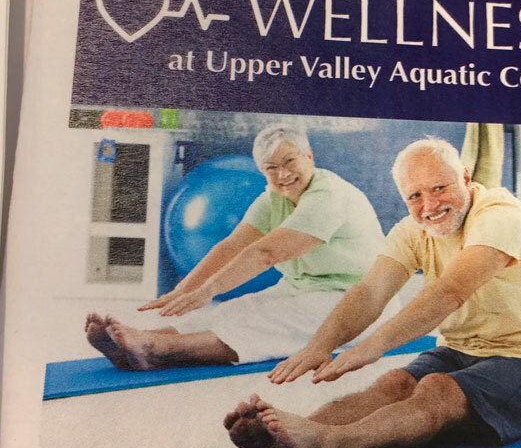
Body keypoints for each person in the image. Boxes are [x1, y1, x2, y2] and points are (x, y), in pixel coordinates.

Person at [225, 137, 521, 448]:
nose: (430, 206)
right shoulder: (412, 232)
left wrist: (372, 345)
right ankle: (283, 444)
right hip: (464, 352)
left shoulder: (500, 215)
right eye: (415, 196)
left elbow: (449, 292)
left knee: (437, 388)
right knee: (393, 384)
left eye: (440, 188)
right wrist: (322, 344)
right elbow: (370, 292)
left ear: (466, 178)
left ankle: (327, 443)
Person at [85, 123, 385, 371]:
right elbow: (231, 246)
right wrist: (183, 289)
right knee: (236, 309)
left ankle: (159, 350)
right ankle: (138, 342)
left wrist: (208, 290)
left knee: (274, 321)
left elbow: (266, 253)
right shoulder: (273, 199)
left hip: (360, 301)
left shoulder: (328, 195)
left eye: (289, 161)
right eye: (271, 168)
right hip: (303, 288)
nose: (282, 174)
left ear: (309, 155)